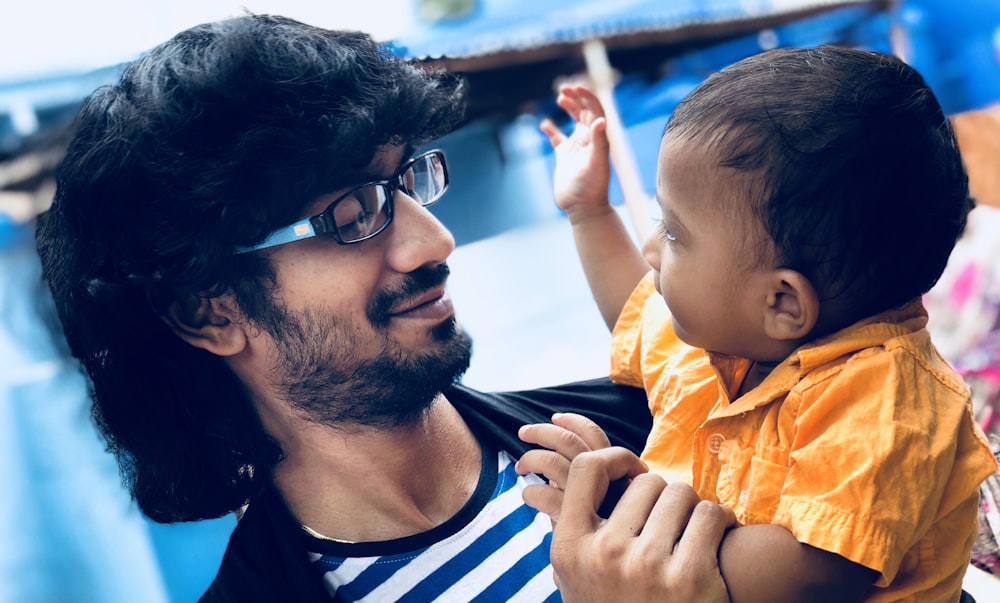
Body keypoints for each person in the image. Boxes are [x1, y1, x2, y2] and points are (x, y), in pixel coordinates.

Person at [33, 14, 738, 602]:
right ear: (208, 313)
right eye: (351, 211)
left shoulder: (646, 440)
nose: (434, 239)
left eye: (406, 180)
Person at [517, 45, 1000, 602]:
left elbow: (812, 570)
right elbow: (636, 305)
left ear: (783, 302)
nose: (651, 248)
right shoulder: (726, 339)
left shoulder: (890, 403)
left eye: (673, 233)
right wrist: (589, 212)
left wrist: (623, 539)